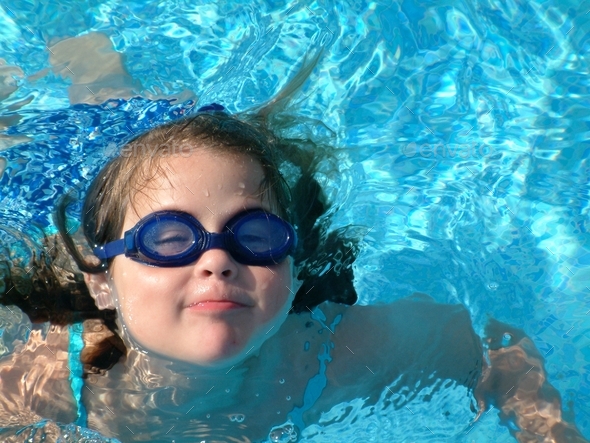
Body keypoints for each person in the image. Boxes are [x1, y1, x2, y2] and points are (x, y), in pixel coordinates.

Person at [0, 55, 587, 443]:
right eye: (169, 239)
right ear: (102, 280)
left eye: (255, 236)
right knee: (98, 104)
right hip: (57, 189)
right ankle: (89, 58)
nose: (217, 259)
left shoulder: (336, 356)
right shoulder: (47, 379)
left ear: (296, 269)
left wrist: (545, 426)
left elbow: (487, 343)